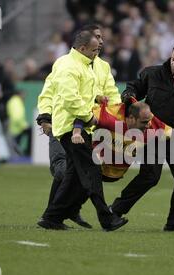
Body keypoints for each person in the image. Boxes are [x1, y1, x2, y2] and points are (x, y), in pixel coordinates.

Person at [36, 29, 128, 232]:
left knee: (74, 175)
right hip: (71, 126)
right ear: (83, 47)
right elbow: (69, 98)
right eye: (95, 49)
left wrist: (100, 101)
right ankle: (106, 218)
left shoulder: (85, 65)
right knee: (90, 171)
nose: (98, 51)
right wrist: (87, 116)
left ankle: (51, 217)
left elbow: (91, 93)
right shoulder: (69, 66)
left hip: (81, 125)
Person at [113, 44, 174, 232]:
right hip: (153, 134)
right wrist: (129, 94)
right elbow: (135, 87)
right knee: (149, 177)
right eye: (173, 59)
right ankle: (115, 211)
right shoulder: (152, 73)